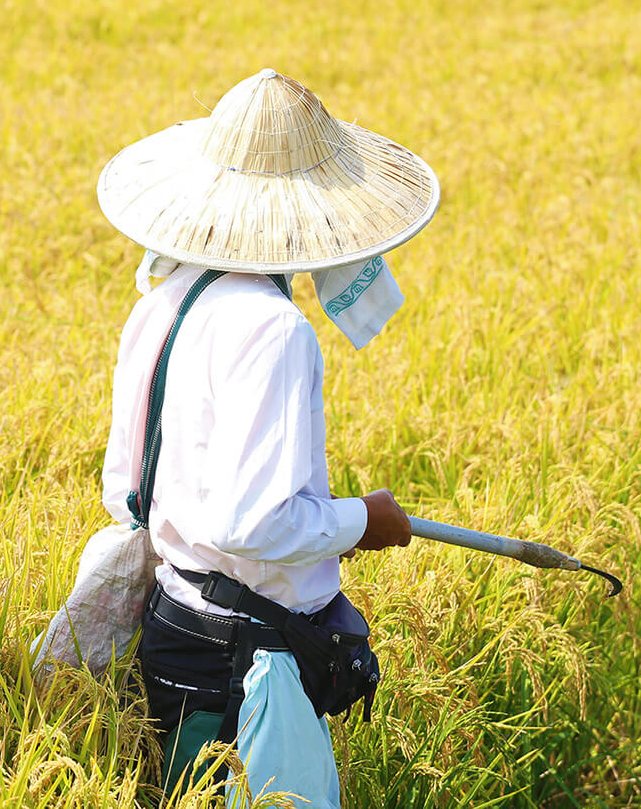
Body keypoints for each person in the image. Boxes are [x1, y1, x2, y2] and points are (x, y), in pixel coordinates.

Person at [93, 68, 439, 805]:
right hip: (245, 663)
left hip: (173, 624)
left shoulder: (165, 299)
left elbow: (126, 487)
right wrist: (361, 521)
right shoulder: (275, 329)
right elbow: (256, 522)